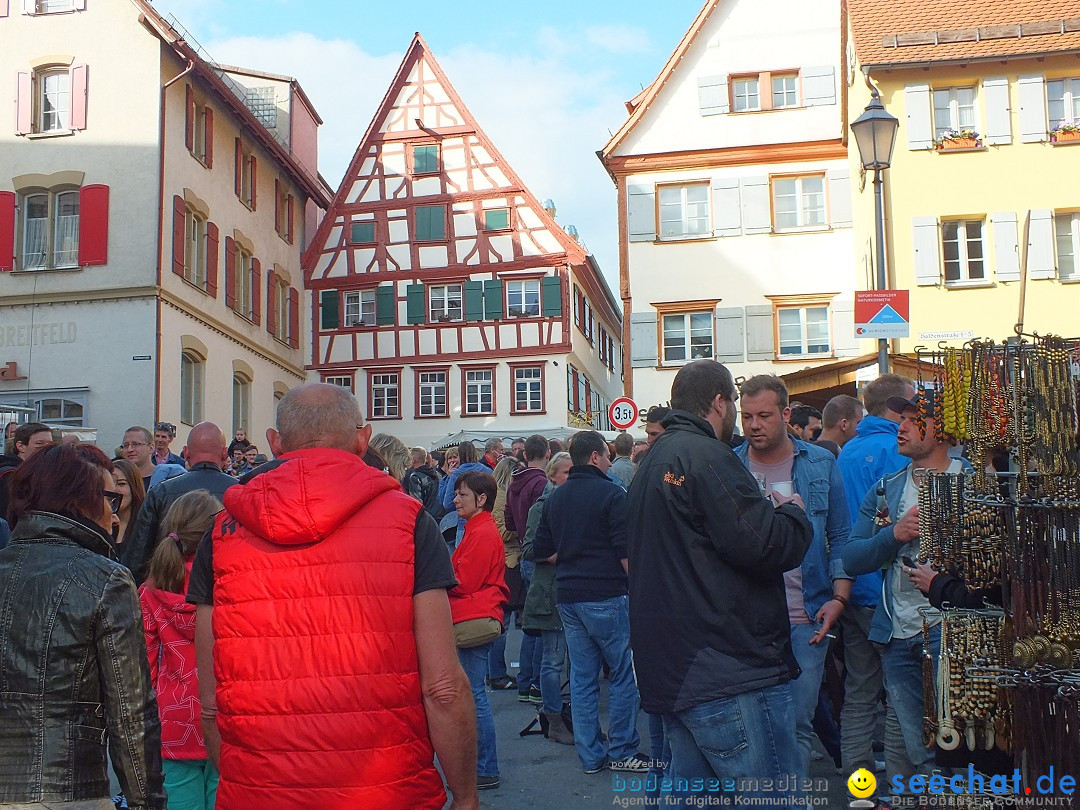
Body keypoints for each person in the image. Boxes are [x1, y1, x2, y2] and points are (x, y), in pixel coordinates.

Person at [186, 384, 476, 809]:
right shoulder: (408, 521)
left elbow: (210, 698)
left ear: (275, 441)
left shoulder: (222, 531)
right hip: (387, 790)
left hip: (262, 789)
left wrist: (245, 779)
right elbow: (443, 687)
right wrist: (466, 795)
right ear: (363, 438)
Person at [625, 360, 813, 803]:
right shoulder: (706, 456)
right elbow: (765, 545)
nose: (741, 420)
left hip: (679, 667)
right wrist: (793, 514)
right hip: (727, 668)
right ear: (719, 402)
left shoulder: (655, 460)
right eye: (734, 404)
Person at [0, 442, 166, 808]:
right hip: (65, 789)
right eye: (109, 498)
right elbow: (131, 713)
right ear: (80, 498)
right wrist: (148, 803)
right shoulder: (105, 579)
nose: (116, 514)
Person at [843, 389, 970, 780]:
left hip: (953, 634)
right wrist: (893, 536)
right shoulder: (888, 487)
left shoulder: (972, 483)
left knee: (958, 748)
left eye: (915, 420)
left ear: (943, 430)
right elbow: (852, 557)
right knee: (920, 751)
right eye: (902, 419)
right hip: (898, 633)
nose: (902, 427)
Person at [732, 374, 852, 787]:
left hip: (809, 615)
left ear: (785, 414)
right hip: (748, 619)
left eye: (764, 415)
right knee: (754, 728)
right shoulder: (731, 465)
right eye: (746, 416)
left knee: (797, 724)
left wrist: (839, 596)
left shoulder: (819, 462)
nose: (754, 425)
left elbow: (840, 534)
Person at [533, 430, 649, 775]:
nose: (611, 460)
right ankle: (624, 749)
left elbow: (540, 550)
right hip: (607, 594)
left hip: (569, 596)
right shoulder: (613, 494)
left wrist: (572, 557)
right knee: (624, 675)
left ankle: (591, 755)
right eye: (607, 455)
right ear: (596, 457)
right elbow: (625, 552)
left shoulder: (556, 496)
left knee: (583, 679)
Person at [835, 373, 915, 776]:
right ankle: (902, 791)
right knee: (901, 698)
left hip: (849, 586)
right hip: (887, 592)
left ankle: (857, 786)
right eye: (911, 409)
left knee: (860, 693)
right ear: (897, 409)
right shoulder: (897, 451)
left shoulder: (846, 450)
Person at [140, 490, 223, 810]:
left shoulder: (150, 593)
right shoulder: (228, 587)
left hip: (172, 726)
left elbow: (143, 670)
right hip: (224, 718)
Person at [449, 471, 509, 791]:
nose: (455, 500)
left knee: (474, 696)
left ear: (481, 500)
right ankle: (482, 766)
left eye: (462, 495)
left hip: (473, 618)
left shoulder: (482, 531)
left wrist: (441, 578)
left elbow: (464, 581)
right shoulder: (477, 528)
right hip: (475, 615)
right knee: (473, 694)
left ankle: (486, 767)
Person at [123, 423, 236, 586]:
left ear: (186, 452)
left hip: (169, 589)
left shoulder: (160, 492)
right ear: (225, 453)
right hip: (223, 590)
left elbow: (138, 556)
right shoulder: (242, 492)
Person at [521, 451, 574, 744]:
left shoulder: (576, 501)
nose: (571, 477)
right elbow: (530, 548)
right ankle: (554, 719)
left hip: (572, 588)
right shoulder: (542, 507)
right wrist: (567, 555)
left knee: (575, 663)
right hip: (551, 591)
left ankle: (572, 718)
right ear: (552, 475)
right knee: (553, 661)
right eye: (566, 472)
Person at [504, 434, 550, 701]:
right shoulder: (540, 483)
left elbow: (509, 522)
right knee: (542, 623)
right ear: (546, 453)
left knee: (532, 622)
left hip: (523, 551)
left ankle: (525, 681)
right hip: (538, 555)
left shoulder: (515, 482)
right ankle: (534, 682)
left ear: (524, 454)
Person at [487, 456, 523, 691]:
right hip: (508, 562)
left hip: (507, 561)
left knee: (506, 619)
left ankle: (497, 672)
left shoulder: (498, 495)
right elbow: (501, 532)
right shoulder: (501, 497)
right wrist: (520, 526)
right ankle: (497, 673)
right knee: (504, 619)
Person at [0, 421, 52, 524]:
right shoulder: (11, 475)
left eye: (50, 444)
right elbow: (8, 517)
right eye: (39, 443)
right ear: (21, 446)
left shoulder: (37, 472)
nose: (46, 448)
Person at [441, 442, 491, 545]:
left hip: (463, 525)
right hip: (486, 522)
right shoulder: (488, 471)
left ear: (460, 455)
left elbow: (447, 503)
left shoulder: (456, 475)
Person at [123, 426, 185, 493]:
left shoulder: (167, 480)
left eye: (135, 444)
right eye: (126, 445)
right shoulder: (118, 479)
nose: (129, 449)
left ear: (151, 448)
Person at [112, 458, 147, 547]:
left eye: (121, 484)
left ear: (134, 487)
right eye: (110, 484)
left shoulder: (147, 526)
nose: (114, 490)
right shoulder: (100, 525)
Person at [403, 446, 443, 518]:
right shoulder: (437, 474)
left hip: (425, 517)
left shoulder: (415, 477)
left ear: (413, 460)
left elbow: (416, 503)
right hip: (439, 515)